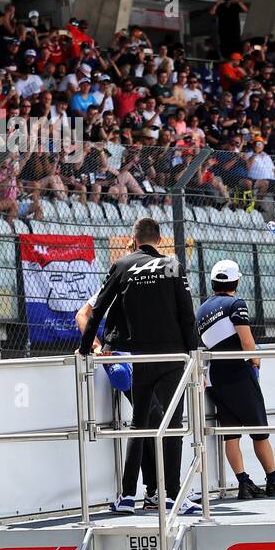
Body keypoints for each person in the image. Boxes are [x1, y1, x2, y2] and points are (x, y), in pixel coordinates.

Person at [78, 217, 202, 515]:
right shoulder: (173, 265)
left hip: (139, 358)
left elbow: (96, 311)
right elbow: (187, 315)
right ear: (159, 240)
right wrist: (195, 353)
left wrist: (86, 350)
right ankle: (172, 496)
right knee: (172, 426)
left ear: (134, 238)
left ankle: (127, 497)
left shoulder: (121, 265)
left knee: (138, 425)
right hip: (173, 357)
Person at [195, 260, 275, 498]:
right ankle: (273, 479)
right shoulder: (236, 303)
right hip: (238, 374)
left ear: (213, 282)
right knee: (259, 430)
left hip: (214, 377)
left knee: (230, 433)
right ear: (236, 281)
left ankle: (244, 483)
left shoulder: (201, 309)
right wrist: (255, 359)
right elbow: (246, 341)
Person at [74, 292, 151, 514]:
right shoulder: (113, 282)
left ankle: (150, 491)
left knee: (150, 421)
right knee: (149, 419)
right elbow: (82, 315)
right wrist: (96, 347)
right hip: (126, 361)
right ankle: (139, 493)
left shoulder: (151, 279)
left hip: (151, 358)